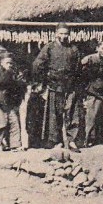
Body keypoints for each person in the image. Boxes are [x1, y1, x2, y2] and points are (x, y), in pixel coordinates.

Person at [32, 23, 81, 151]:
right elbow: (37, 65)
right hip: (54, 85)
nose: (64, 36)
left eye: (66, 34)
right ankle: (56, 142)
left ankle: (71, 141)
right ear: (56, 34)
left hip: (70, 86)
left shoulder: (73, 49)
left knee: (72, 113)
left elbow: (78, 67)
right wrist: (43, 80)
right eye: (61, 33)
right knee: (54, 115)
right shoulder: (49, 48)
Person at [0, 47, 27, 152]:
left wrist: (19, 82)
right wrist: (8, 74)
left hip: (9, 102)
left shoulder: (13, 72)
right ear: (1, 62)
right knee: (1, 124)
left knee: (14, 123)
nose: (10, 65)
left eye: (11, 63)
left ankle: (15, 145)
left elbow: (17, 87)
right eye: (7, 63)